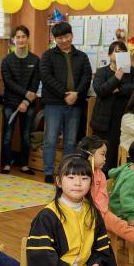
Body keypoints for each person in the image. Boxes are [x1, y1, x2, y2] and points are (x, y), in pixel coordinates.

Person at [77, 136, 134, 259]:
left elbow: (101, 198)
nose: (105, 158)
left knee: (121, 225)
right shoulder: (79, 173)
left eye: (105, 155)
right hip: (84, 213)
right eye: (102, 154)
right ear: (90, 155)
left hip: (101, 213)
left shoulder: (101, 175)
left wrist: (101, 213)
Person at [39, 22, 92, 183]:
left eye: (66, 36)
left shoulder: (82, 56)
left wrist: (77, 93)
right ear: (54, 39)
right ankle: (49, 172)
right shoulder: (48, 55)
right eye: (60, 38)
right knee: (50, 139)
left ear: (72, 35)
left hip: (75, 104)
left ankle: (66, 171)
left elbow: (86, 77)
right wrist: (64, 94)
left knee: (70, 141)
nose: (64, 40)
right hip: (54, 103)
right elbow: (46, 77)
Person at [91, 41, 134, 173]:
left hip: (123, 119)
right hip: (103, 121)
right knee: (100, 153)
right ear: (110, 55)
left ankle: (114, 179)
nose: (120, 54)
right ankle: (98, 179)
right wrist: (116, 78)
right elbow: (100, 90)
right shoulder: (102, 71)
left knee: (115, 153)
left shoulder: (132, 71)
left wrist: (119, 89)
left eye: (123, 52)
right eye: (117, 51)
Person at [0, 25, 39, 175]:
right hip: (10, 103)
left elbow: (35, 82)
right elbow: (8, 82)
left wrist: (26, 101)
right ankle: (6, 164)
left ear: (27, 38)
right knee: (7, 135)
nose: (21, 40)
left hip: (29, 104)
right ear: (13, 39)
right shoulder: (7, 60)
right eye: (18, 37)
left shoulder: (35, 59)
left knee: (26, 136)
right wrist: (26, 94)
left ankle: (24, 165)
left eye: (23, 36)